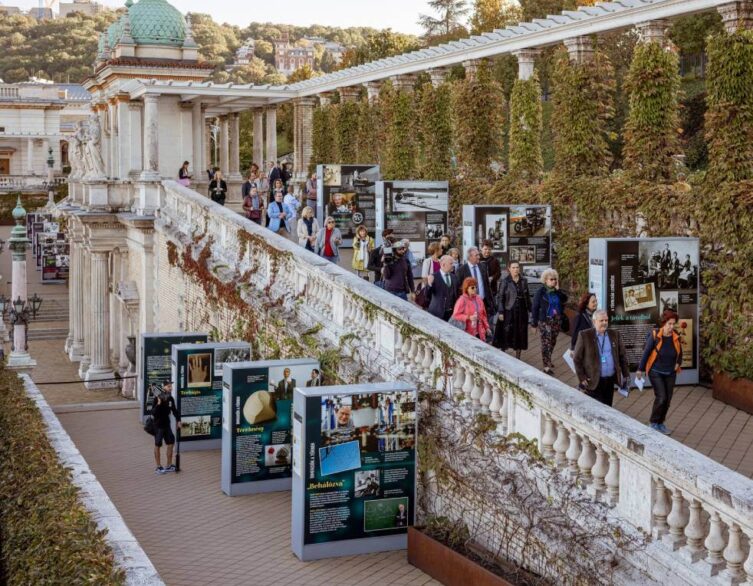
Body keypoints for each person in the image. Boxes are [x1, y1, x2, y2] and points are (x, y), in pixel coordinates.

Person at [636, 310, 682, 435]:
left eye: (673, 324)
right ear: (664, 323)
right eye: (669, 324)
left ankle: (661, 423)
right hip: (655, 371)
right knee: (661, 397)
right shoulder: (655, 335)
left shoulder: (676, 336)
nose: (672, 327)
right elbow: (646, 352)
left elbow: (680, 352)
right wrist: (640, 369)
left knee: (668, 400)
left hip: (670, 372)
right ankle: (653, 422)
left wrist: (679, 362)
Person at [573, 309, 630, 407]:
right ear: (594, 322)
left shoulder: (615, 335)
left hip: (609, 380)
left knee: (607, 407)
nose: (604, 323)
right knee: (597, 408)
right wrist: (581, 377)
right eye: (601, 321)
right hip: (594, 380)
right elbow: (577, 358)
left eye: (606, 320)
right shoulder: (585, 335)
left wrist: (626, 375)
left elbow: (622, 356)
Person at [531, 268, 568, 375]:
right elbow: (534, 308)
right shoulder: (540, 292)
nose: (554, 281)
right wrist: (534, 324)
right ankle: (546, 366)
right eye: (551, 279)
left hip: (556, 320)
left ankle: (548, 359)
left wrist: (558, 290)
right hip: (545, 320)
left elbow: (565, 299)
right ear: (545, 280)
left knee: (553, 341)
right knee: (546, 343)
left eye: (555, 279)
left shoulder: (557, 292)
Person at [493, 261, 531, 358]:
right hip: (509, 310)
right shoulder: (505, 281)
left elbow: (527, 297)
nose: (516, 269)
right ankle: (503, 351)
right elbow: (500, 297)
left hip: (522, 311)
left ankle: (518, 354)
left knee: (520, 332)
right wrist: (501, 311)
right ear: (509, 269)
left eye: (517, 267)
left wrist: (531, 311)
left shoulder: (524, 281)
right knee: (506, 331)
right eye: (513, 267)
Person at [455, 247, 495, 319]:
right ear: (470, 257)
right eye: (476, 255)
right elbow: (458, 289)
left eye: (478, 255)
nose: (479, 257)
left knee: (486, 326)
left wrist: (492, 303)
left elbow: (487, 286)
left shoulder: (483, 267)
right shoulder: (461, 270)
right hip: (469, 304)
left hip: (484, 302)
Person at [150, 381, 180, 475]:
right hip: (158, 425)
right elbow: (153, 412)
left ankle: (169, 465)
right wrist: (158, 404)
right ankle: (158, 467)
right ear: (163, 387)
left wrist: (178, 420)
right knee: (157, 445)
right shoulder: (157, 398)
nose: (170, 388)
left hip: (167, 425)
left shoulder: (170, 398)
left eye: (171, 386)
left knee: (170, 443)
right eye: (168, 386)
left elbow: (174, 410)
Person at [451, 277, 491, 341]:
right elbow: (456, 315)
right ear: (466, 288)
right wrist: (468, 317)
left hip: (480, 332)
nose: (475, 289)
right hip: (467, 332)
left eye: (476, 287)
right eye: (472, 287)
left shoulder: (478, 298)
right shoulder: (462, 300)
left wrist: (487, 327)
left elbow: (483, 315)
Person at [426, 255, 458, 321]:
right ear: (443, 264)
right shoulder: (434, 277)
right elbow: (426, 295)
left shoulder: (454, 277)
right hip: (437, 313)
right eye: (451, 263)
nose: (453, 265)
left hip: (451, 314)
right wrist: (429, 284)